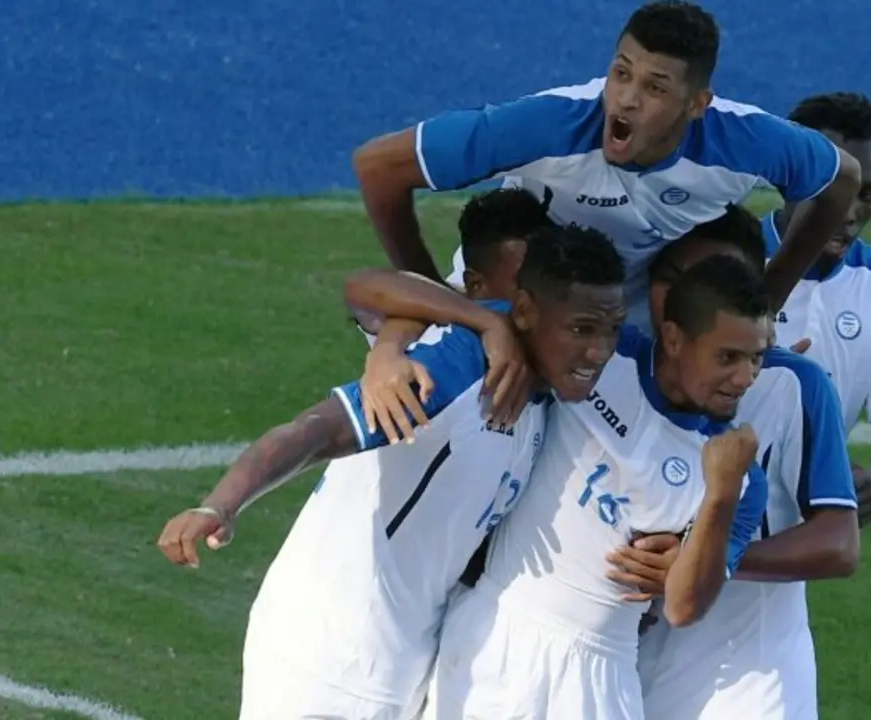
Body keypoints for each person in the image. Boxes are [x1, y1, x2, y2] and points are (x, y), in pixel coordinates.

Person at [156, 224, 627, 720]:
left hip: (406, 668)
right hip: (325, 659)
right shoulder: (454, 372)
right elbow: (313, 431)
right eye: (581, 329)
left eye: (611, 330)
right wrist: (219, 504)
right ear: (526, 312)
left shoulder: (542, 399)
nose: (599, 351)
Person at [354, 257, 773, 720]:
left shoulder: (740, 476)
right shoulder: (600, 359)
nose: (745, 377)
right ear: (673, 339)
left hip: (602, 678)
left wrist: (720, 494)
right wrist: (388, 349)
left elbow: (683, 607)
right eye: (728, 357)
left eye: (757, 357)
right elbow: (375, 287)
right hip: (497, 636)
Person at [350, 0, 862, 337]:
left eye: (655, 87)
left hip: (621, 326)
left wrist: (770, 298)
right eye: (621, 73)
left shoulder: (745, 142)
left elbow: (842, 178)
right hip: (506, 307)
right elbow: (379, 165)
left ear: (697, 104)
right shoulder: (549, 125)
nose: (626, 99)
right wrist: (434, 295)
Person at [633, 207, 860, 720]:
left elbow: (839, 543)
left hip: (750, 682)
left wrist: (711, 563)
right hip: (633, 674)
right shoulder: (621, 373)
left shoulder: (792, 384)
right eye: (689, 282)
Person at [763, 92, 871, 526]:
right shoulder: (719, 262)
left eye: (868, 193)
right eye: (836, 189)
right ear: (787, 177)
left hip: (796, 556)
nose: (850, 213)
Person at [350, 187, 557, 443]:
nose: (540, 296)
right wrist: (490, 322)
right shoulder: (435, 331)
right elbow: (361, 286)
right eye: (524, 282)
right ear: (476, 285)